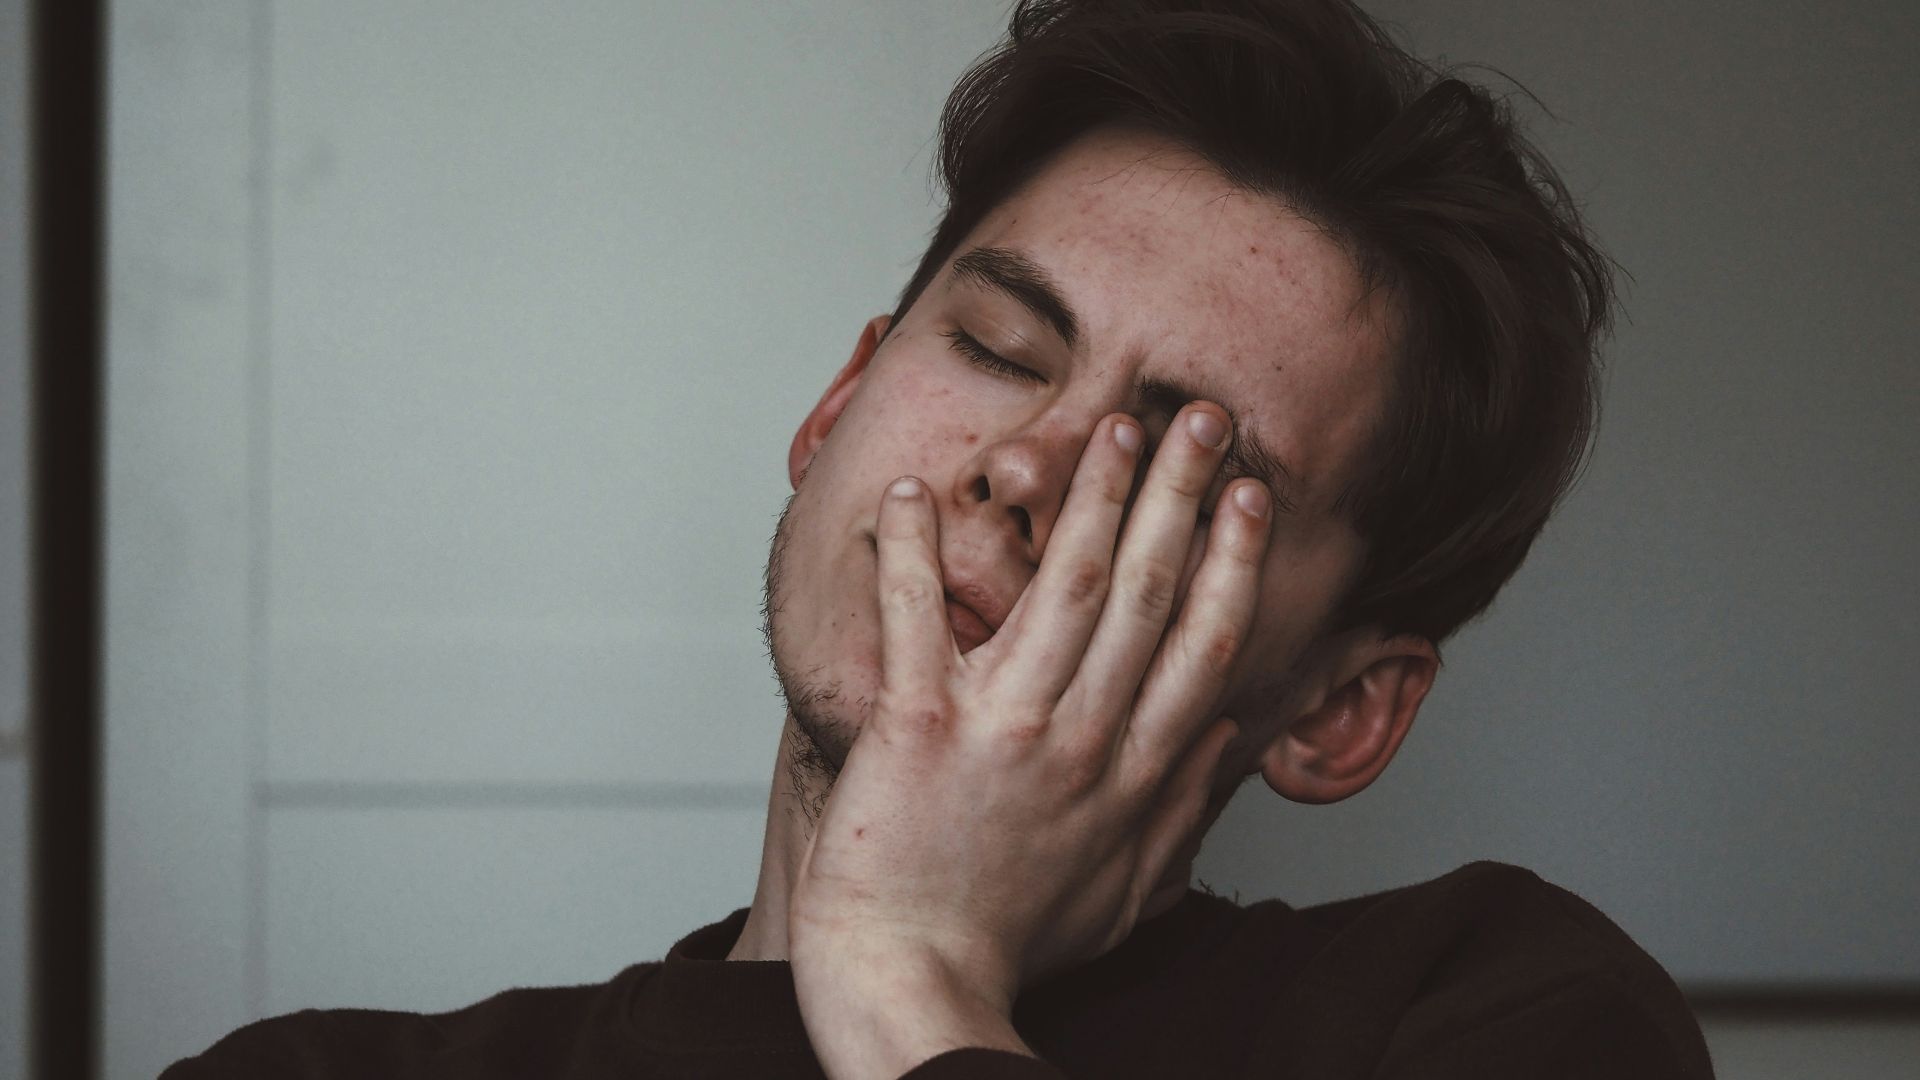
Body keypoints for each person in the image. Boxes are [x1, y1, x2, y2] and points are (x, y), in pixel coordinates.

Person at [164, 1, 1716, 1077]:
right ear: (839, 399)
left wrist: (911, 977)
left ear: (1338, 710)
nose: (1023, 470)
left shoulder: (1500, 1018)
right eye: (996, 349)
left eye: (1177, 462)